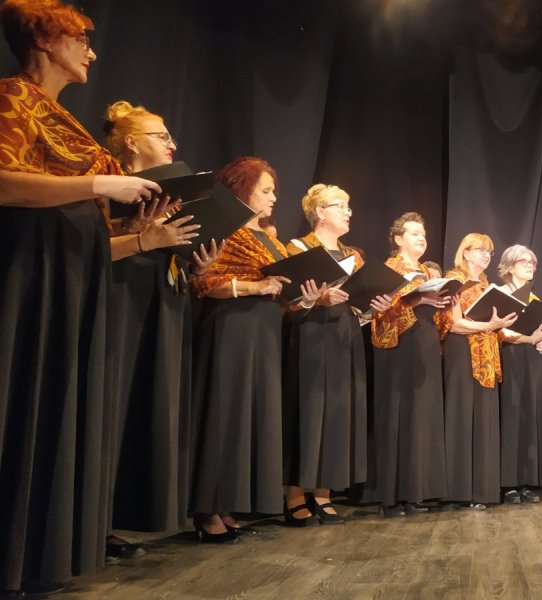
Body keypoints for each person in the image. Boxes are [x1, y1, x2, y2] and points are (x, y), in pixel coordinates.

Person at [0, 2, 162, 592]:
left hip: (72, 277)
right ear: (45, 41)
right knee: (22, 401)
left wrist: (137, 222)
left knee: (55, 407)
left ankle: (34, 558)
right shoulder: (11, 98)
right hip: (29, 275)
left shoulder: (62, 118)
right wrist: (99, 183)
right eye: (80, 40)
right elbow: (5, 183)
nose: (91, 51)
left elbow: (82, 212)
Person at [102, 100, 221, 557]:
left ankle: (116, 519)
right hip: (120, 302)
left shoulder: (172, 196)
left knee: (143, 410)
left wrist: (197, 265)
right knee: (113, 405)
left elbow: (170, 258)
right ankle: (93, 523)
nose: (171, 143)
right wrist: (140, 234)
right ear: (132, 142)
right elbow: (88, 243)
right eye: (161, 136)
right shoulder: (109, 182)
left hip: (163, 306)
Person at [189, 157, 323, 541]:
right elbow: (203, 282)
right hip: (231, 327)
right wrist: (255, 286)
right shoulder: (224, 229)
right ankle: (208, 508)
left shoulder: (270, 237)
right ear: (242, 190)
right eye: (266, 190)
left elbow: (282, 292)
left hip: (265, 331)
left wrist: (305, 299)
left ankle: (229, 503)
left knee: (248, 418)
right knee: (225, 413)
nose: (273, 197)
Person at [281, 184, 389, 525]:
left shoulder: (353, 255)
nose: (348, 212)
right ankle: (294, 494)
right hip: (311, 335)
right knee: (309, 412)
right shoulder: (298, 247)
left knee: (338, 414)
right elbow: (286, 301)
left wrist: (373, 306)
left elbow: (357, 303)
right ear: (319, 212)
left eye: (348, 206)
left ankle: (323, 493)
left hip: (345, 336)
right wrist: (317, 299)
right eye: (340, 206)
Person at [369, 212, 451, 516]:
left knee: (421, 418)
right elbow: (380, 312)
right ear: (398, 238)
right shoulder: (391, 269)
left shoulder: (427, 273)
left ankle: (414, 493)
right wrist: (417, 301)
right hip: (399, 346)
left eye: (423, 233)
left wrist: (444, 302)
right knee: (398, 415)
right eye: (414, 233)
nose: (421, 238)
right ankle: (389, 497)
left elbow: (434, 312)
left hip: (425, 343)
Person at [439, 234, 517, 510]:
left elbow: (495, 328)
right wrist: (488, 326)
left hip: (487, 356)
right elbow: (454, 323)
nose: (486, 255)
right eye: (481, 250)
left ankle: (482, 490)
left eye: (489, 251)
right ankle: (459, 492)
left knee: (484, 419)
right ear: (466, 252)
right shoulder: (454, 281)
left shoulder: (486, 285)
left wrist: (518, 332)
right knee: (462, 417)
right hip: (462, 352)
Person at [497, 245, 542, 503]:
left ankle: (525, 480)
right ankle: (508, 483)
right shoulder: (501, 293)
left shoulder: (535, 298)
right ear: (510, 267)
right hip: (511, 357)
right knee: (513, 418)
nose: (530, 266)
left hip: (533, 360)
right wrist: (528, 338)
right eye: (524, 262)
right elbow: (500, 331)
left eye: (532, 262)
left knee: (529, 418)